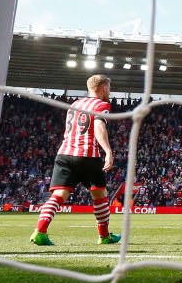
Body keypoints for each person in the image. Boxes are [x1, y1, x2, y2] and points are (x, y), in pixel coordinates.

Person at [30, 75, 120, 246]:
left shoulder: (75, 104)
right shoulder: (102, 105)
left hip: (64, 154)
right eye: (109, 87)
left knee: (58, 196)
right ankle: (104, 236)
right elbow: (99, 126)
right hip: (87, 155)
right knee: (100, 195)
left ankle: (39, 232)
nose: (110, 91)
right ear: (102, 88)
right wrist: (108, 151)